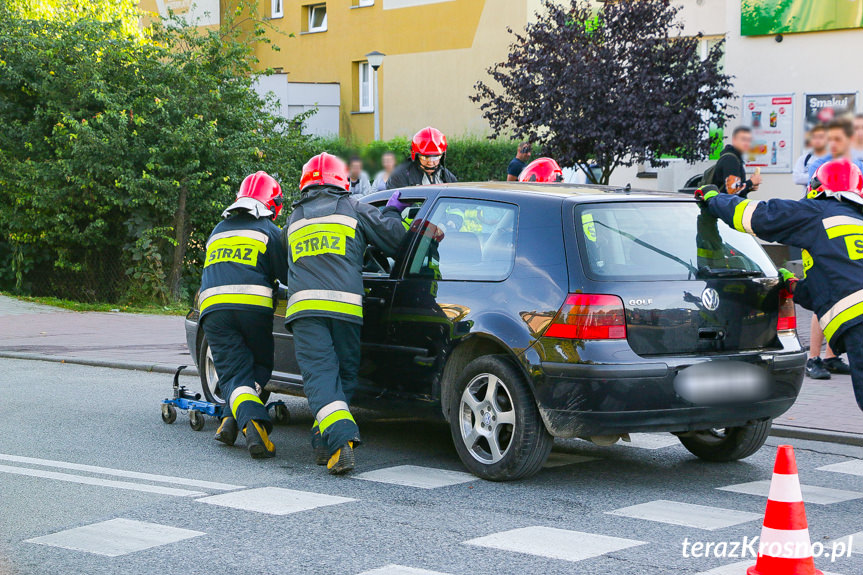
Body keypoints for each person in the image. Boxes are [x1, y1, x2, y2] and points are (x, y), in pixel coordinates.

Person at [695, 158, 863, 413]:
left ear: (817, 187)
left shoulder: (816, 212)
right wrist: (794, 287)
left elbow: (755, 217)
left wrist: (713, 198)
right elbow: (834, 285)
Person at [283, 152, 407, 474]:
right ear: (342, 180)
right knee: (344, 375)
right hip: (347, 310)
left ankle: (338, 441)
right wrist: (393, 211)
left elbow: (288, 268)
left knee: (321, 376)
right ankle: (328, 441)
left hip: (307, 312)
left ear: (305, 184)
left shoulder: (293, 219)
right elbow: (396, 241)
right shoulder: (355, 208)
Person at [200, 171, 288, 459]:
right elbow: (284, 273)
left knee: (234, 373)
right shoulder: (269, 231)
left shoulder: (217, 229)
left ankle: (229, 419)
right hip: (253, 310)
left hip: (213, 312)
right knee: (259, 366)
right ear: (272, 204)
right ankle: (255, 427)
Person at [387, 126, 457, 189]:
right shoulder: (399, 176)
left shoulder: (448, 177)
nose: (430, 163)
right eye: (425, 158)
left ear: (442, 156)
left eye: (435, 158)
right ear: (416, 156)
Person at [709, 126, 762, 196]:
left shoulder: (734, 158)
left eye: (749, 140)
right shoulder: (730, 160)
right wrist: (751, 182)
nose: (747, 143)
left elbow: (732, 189)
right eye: (743, 139)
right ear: (734, 140)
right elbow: (732, 191)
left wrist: (749, 188)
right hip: (727, 206)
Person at [792, 125, 828, 190]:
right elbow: (796, 178)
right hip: (808, 197)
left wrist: (808, 177)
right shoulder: (804, 159)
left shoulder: (832, 159)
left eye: (821, 137)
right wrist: (820, 177)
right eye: (814, 137)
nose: (817, 140)